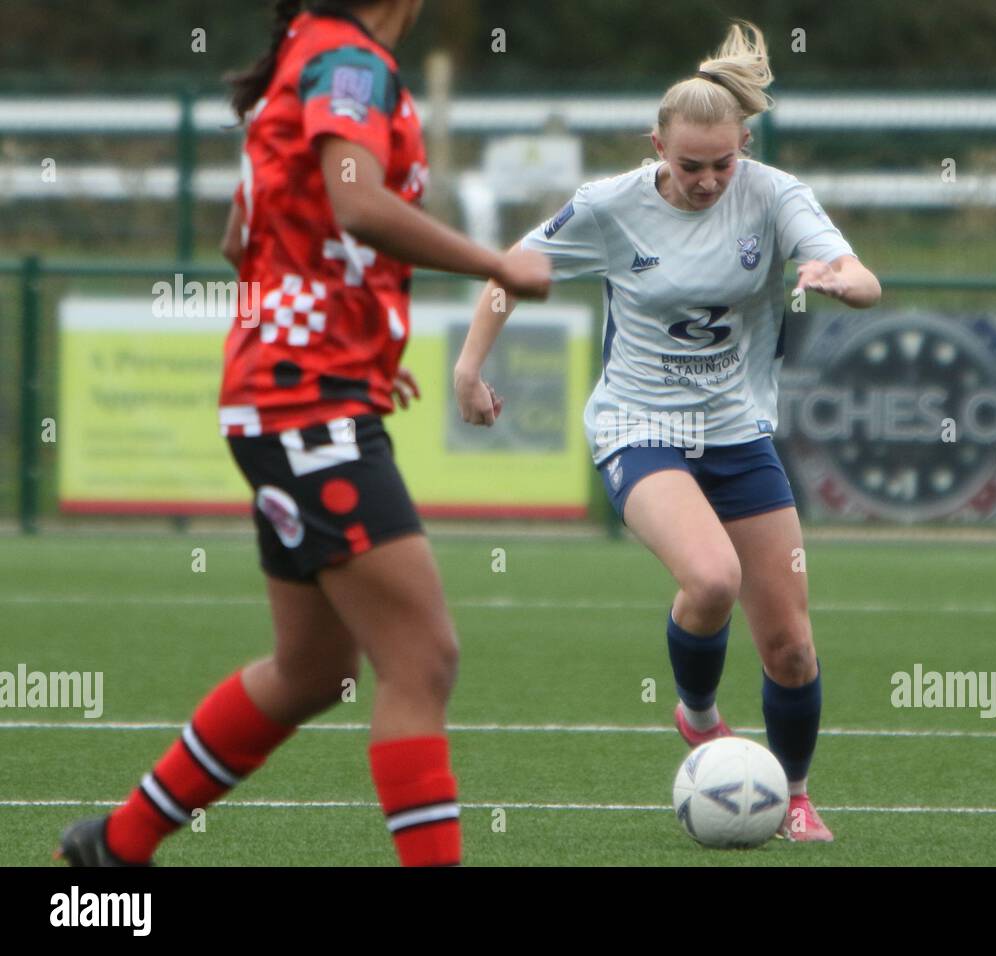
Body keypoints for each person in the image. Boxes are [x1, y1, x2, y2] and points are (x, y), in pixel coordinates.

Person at [56, 0, 550, 867]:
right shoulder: (349, 64)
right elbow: (355, 205)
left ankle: (115, 847)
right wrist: (495, 262)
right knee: (422, 659)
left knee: (314, 672)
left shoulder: (309, 53)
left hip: (300, 389)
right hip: (303, 402)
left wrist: (350, 337)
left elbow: (237, 237)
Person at [454, 21, 880, 842]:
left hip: (739, 434)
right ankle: (697, 712)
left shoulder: (775, 194)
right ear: (657, 146)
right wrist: (470, 371)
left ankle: (792, 795)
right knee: (712, 578)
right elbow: (511, 269)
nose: (708, 181)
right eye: (689, 166)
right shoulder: (612, 206)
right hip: (638, 426)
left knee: (791, 645)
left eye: (723, 163)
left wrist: (836, 278)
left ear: (744, 144)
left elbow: (860, 275)